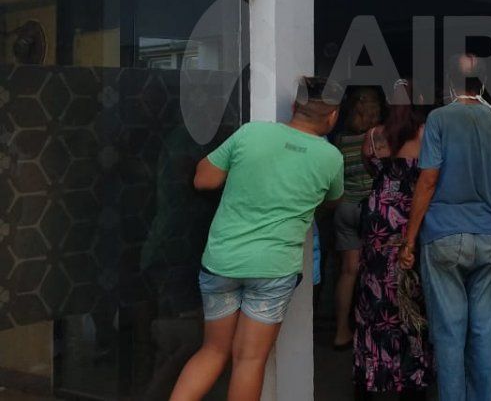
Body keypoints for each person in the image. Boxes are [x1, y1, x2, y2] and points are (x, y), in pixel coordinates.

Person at [170, 76, 345, 401]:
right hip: (273, 269)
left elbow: (203, 179)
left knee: (212, 351)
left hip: (222, 261)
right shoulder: (331, 158)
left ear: (293, 106)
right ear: (333, 117)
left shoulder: (251, 133)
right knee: (249, 360)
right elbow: (333, 200)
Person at [399, 54, 491, 401]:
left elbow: (428, 179)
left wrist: (409, 239)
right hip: (489, 234)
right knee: (485, 330)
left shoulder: (439, 118)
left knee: (449, 331)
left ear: (450, 84)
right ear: (483, 83)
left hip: (444, 234)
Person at [353, 80, 434, 399]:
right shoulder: (426, 134)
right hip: (410, 218)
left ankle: (370, 378)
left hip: (378, 219)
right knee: (409, 296)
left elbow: (371, 171)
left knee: (372, 297)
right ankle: (411, 380)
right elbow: (430, 178)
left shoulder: (373, 135)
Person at [333, 86, 385, 349]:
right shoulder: (378, 137)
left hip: (344, 207)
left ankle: (341, 330)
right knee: (375, 271)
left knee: (348, 271)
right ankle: (372, 329)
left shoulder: (340, 140)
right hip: (371, 209)